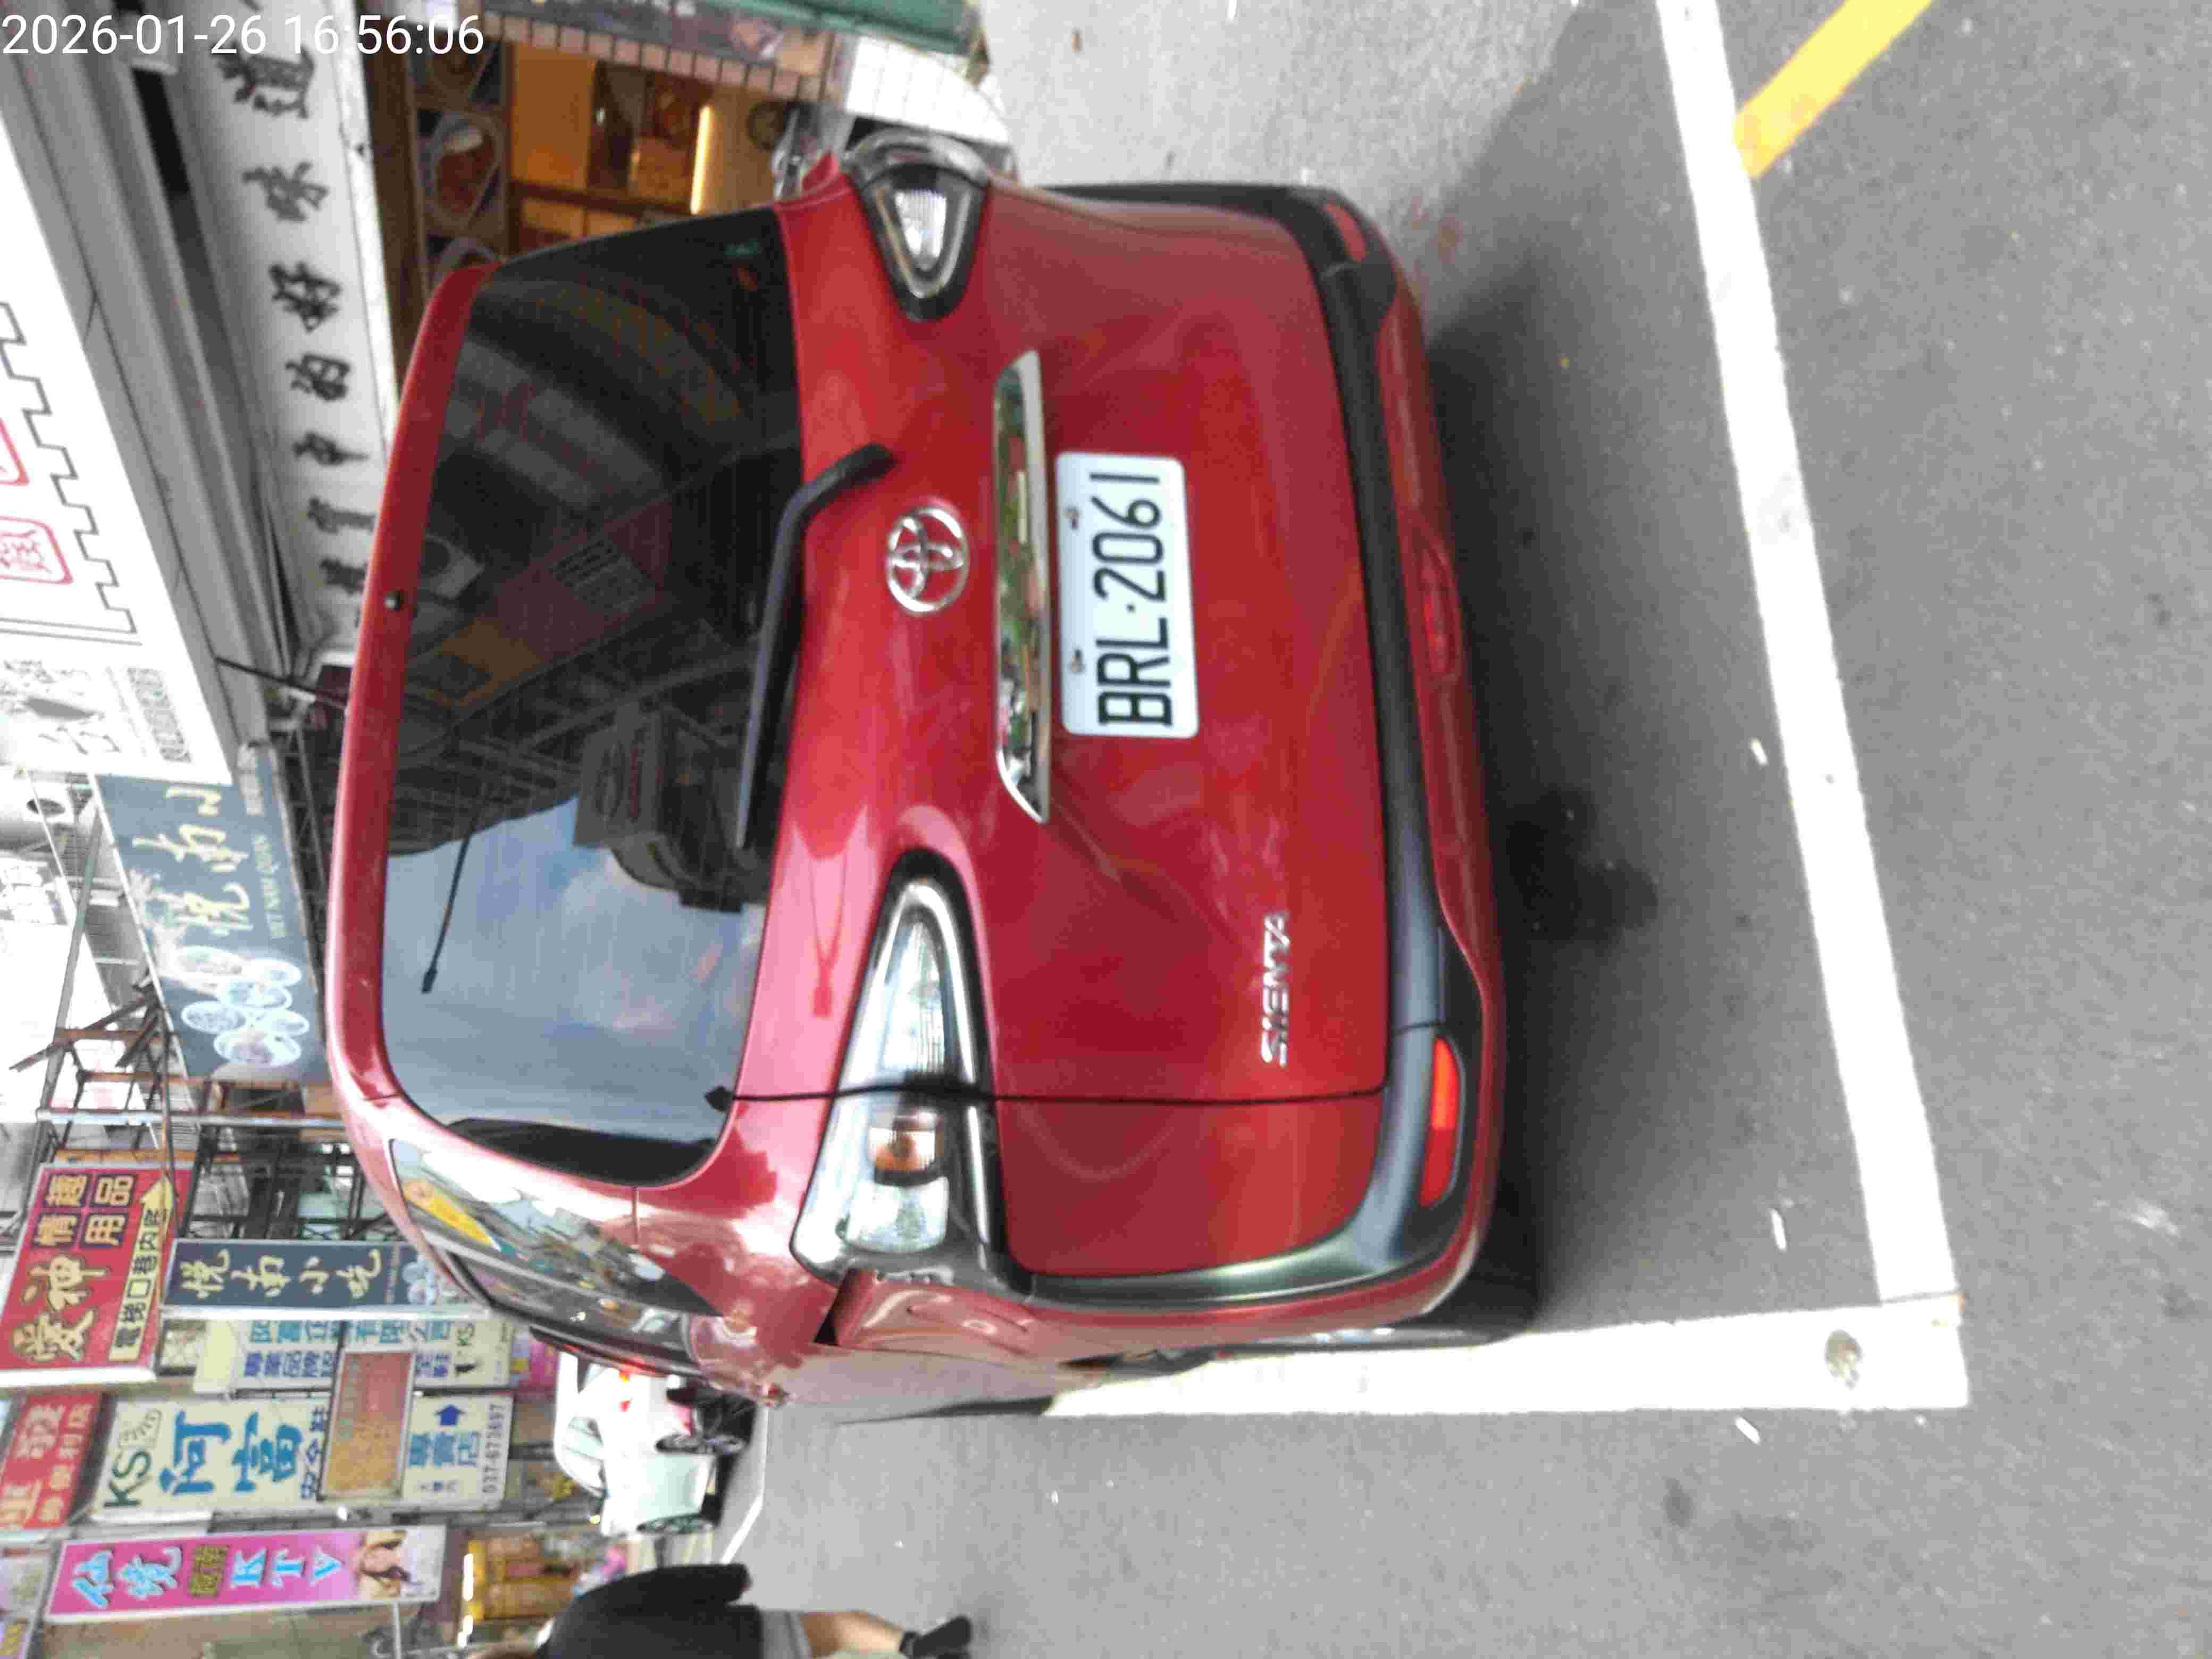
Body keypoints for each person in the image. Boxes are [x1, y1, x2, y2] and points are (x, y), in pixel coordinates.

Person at [468, 1563, 974, 1659]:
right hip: (734, 1641)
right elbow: (661, 1587)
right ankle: (913, 1646)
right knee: (835, 1629)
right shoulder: (579, 1619)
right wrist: (728, 1580)